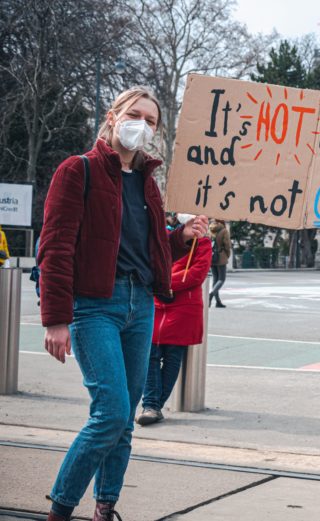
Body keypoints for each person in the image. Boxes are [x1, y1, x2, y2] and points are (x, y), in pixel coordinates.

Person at [37, 86, 208, 521]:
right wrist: (56, 319)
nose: (143, 126)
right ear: (113, 116)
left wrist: (179, 238)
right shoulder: (78, 170)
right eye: (136, 115)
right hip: (94, 306)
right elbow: (54, 248)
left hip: (141, 304)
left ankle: (106, 507)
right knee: (110, 413)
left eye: (151, 121)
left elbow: (147, 248)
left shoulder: (148, 184)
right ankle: (60, 508)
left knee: (126, 421)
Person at [137, 215, 211, 426]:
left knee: (171, 356)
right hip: (158, 301)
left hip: (182, 305)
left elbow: (198, 273)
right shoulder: (165, 237)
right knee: (150, 353)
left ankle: (152, 405)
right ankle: (152, 405)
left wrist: (166, 282)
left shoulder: (203, 242)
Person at [208, 219, 231, 308]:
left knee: (215, 279)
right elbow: (227, 245)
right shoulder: (223, 230)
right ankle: (211, 294)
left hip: (212, 256)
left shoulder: (210, 229)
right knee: (221, 279)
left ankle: (218, 302)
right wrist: (227, 255)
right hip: (221, 256)